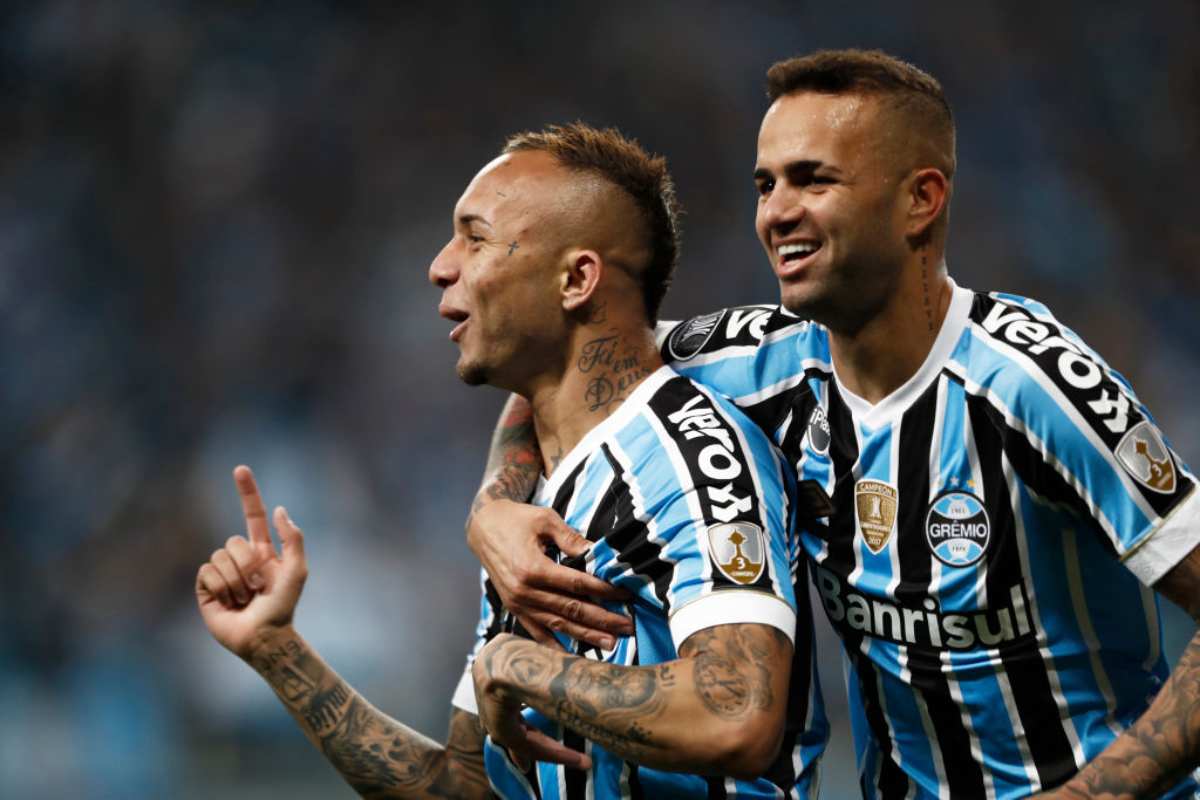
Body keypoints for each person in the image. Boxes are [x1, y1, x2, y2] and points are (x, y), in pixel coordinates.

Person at [466, 51, 1200, 799]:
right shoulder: (759, 362)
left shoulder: (1034, 383)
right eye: (766, 185)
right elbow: (579, 359)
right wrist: (494, 507)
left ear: (921, 200)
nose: (776, 212)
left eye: (813, 180)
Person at [194, 122, 827, 798]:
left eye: (475, 239)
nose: (440, 266)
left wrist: (519, 667)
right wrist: (276, 648)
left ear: (576, 278)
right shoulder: (524, 506)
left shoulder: (688, 458)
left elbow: (736, 716)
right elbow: (463, 787)